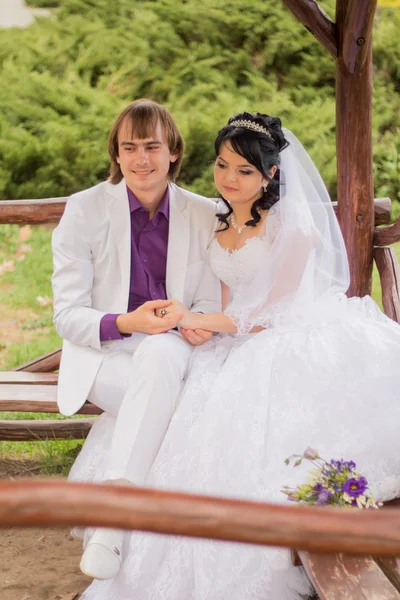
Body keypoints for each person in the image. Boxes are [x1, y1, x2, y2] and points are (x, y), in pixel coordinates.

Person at [75, 112, 400, 600]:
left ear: (270, 174)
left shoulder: (292, 225)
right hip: (235, 339)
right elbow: (228, 304)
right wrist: (203, 324)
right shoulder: (220, 216)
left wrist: (195, 320)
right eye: (223, 165)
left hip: (287, 336)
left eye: (244, 171)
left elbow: (269, 314)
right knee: (184, 411)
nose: (229, 178)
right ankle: (121, 527)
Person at [51, 99, 221, 580]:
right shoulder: (84, 210)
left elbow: (208, 303)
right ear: (117, 155)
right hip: (103, 355)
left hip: (172, 349)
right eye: (130, 148)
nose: (141, 159)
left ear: (173, 153)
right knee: (181, 408)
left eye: (152, 147)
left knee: (162, 356)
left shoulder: (203, 213)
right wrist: (129, 322)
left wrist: (190, 321)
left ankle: (113, 525)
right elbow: (68, 315)